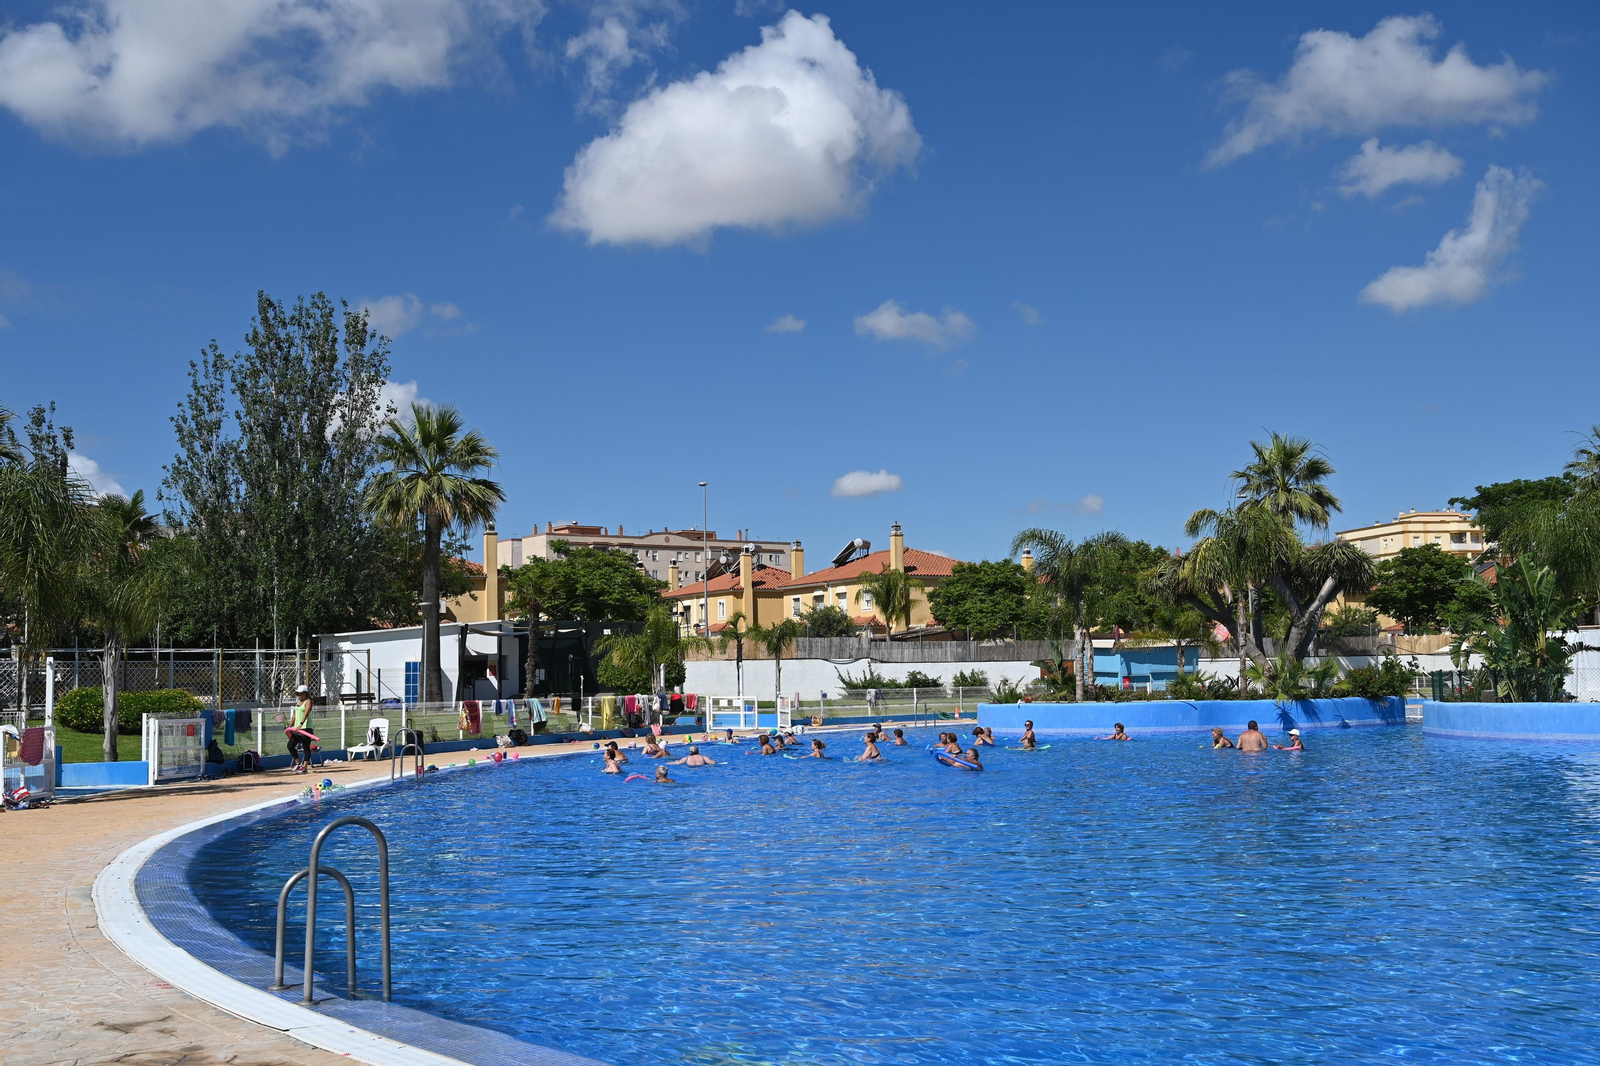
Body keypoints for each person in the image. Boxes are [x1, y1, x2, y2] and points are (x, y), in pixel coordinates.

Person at [286, 684, 315, 774]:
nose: (299, 695)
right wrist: (290, 726)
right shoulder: (298, 702)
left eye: (301, 693)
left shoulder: (309, 701)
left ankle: (305, 767)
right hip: (296, 729)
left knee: (306, 747)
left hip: (306, 728)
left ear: (306, 693)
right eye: (298, 694)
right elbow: (294, 715)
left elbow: (306, 713)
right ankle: (298, 763)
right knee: (290, 745)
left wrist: (301, 724)